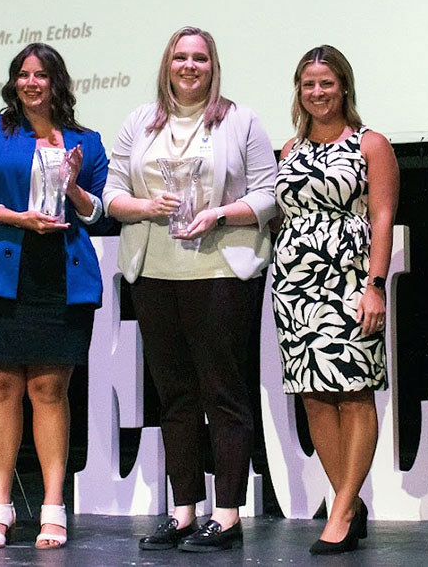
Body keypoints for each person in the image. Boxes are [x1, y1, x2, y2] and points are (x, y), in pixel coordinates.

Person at [103, 27, 277, 552]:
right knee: (173, 395)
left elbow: (269, 194)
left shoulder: (240, 120)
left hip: (221, 270)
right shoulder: (140, 120)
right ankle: (183, 512)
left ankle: (226, 515)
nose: (189, 65)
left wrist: (220, 213)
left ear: (212, 65)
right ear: (167, 64)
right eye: (180, 57)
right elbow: (112, 193)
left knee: (222, 392)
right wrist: (144, 207)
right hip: (153, 270)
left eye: (199, 58)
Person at [0, 43, 110, 550]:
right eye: (22, 74)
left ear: (57, 83)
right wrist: (15, 216)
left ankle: (52, 508)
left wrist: (73, 187)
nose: (30, 82)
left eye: (41, 74)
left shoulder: (88, 141)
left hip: (60, 279)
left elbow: (100, 213)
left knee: (49, 393)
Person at [271, 45, 399, 555]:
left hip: (350, 281)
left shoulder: (371, 144)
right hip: (295, 285)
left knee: (355, 390)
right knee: (314, 394)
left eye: (326, 83)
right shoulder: (289, 149)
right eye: (308, 84)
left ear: (344, 86)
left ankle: (342, 509)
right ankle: (349, 501)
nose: (317, 92)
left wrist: (376, 284)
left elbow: (384, 217)